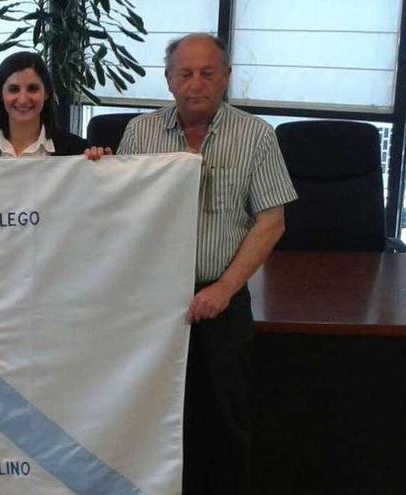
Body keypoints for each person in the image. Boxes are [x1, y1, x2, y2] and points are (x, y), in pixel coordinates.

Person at [118, 33, 297, 494]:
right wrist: (97, 169)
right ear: (168, 80)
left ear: (226, 77)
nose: (196, 84)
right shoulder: (140, 133)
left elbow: (271, 222)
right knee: (152, 420)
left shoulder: (256, 135)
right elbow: (114, 210)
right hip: (150, 306)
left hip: (221, 298)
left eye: (207, 73)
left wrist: (222, 290)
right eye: (185, 74)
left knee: (224, 423)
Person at [0, 51, 108, 160]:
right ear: (0, 94)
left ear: (47, 93)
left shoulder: (77, 150)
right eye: (14, 89)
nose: (23, 100)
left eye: (32, 89)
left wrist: (103, 165)